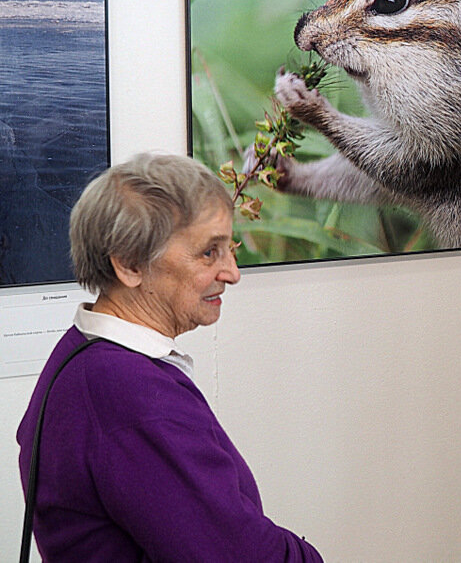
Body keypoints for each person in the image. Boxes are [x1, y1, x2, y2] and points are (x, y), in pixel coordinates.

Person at [17, 153, 323, 561]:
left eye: (229, 249)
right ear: (129, 264)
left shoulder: (82, 354)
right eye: (208, 253)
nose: (232, 272)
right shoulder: (129, 394)